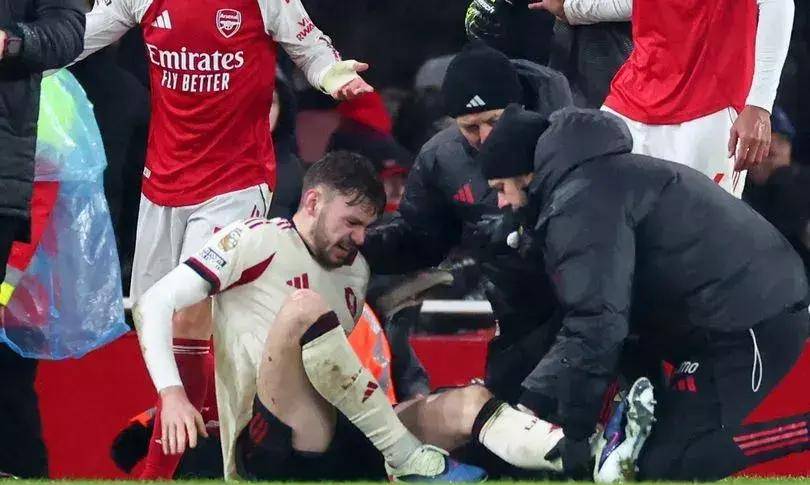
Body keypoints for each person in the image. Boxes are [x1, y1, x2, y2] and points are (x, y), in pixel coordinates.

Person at [74, 0, 373, 477]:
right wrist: (26, 50)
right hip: (163, 182)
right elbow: (77, 37)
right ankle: (206, 433)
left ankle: (163, 468)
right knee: (156, 317)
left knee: (192, 309)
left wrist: (332, 75)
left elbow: (309, 46)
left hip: (235, 180)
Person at [477, 103, 810, 480]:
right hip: (717, 317)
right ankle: (625, 425)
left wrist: (561, 424)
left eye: (501, 188)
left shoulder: (582, 202)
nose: (501, 203)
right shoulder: (590, 181)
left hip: (753, 321)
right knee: (644, 460)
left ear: (527, 175)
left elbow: (595, 320)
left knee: (668, 463)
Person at [132, 152, 489, 481]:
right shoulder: (253, 239)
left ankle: (515, 457)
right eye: (351, 222)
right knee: (304, 307)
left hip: (330, 430)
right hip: (265, 440)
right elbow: (153, 302)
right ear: (313, 202)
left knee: (468, 405)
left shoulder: (355, 274)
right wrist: (172, 393)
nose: (359, 237)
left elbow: (334, 372)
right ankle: (404, 454)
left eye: (366, 227)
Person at [363, 40, 572, 405]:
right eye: (471, 127)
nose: (486, 137)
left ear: (519, 107)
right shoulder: (441, 158)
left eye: (495, 121)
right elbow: (422, 239)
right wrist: (359, 243)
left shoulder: (562, 137)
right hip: (509, 307)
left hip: (575, 298)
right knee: (508, 412)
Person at [530, 0, 795, 198]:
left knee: (701, 234)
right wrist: (573, 7)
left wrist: (759, 105)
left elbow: (777, 3)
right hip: (632, 99)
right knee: (599, 213)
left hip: (709, 110)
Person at [0, 0, 85, 477]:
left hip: (12, 203)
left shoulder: (63, 106)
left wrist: (11, 42)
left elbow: (68, 30)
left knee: (10, 382)